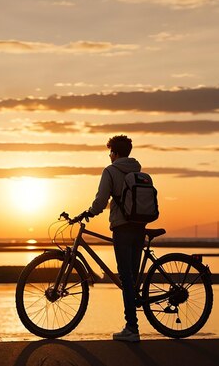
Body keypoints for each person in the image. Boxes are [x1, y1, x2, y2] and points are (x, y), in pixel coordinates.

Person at [74, 134, 145, 342]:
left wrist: (87, 212)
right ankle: (133, 319)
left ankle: (132, 328)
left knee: (125, 277)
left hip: (122, 228)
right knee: (131, 276)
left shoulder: (111, 171)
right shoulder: (137, 170)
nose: (109, 155)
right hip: (140, 226)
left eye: (110, 152)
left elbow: (101, 200)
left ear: (114, 153)